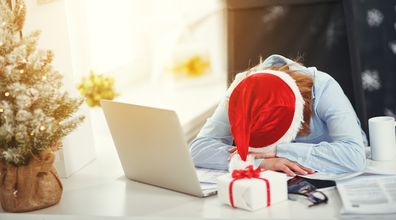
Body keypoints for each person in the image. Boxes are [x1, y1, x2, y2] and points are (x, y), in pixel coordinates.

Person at [189, 54, 367, 176]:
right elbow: (198, 149)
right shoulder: (241, 92)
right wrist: (260, 162)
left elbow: (354, 156)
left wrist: (277, 151)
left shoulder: (324, 88)